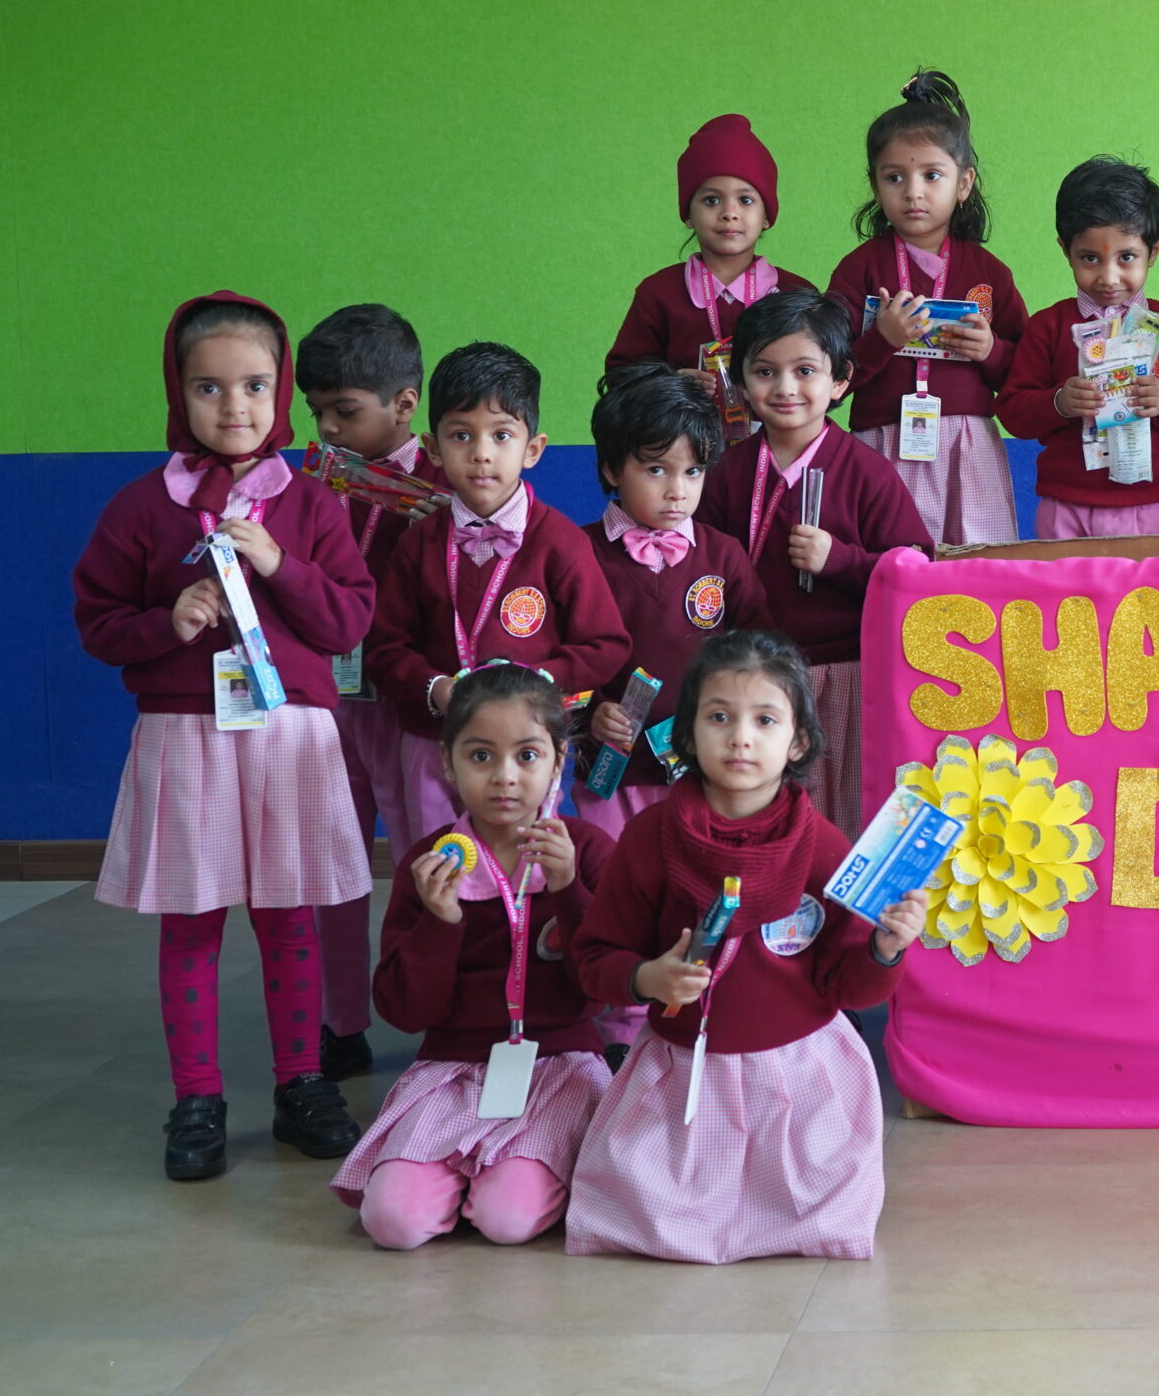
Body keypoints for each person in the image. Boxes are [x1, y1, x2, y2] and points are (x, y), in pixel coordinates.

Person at [73, 293, 373, 1180]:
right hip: (185, 737)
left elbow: (350, 620)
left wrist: (281, 564)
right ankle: (197, 1098)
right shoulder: (141, 507)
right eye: (208, 386)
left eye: (254, 385)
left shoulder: (311, 505)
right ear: (178, 389)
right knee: (191, 923)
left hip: (290, 737)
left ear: (280, 391)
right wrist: (164, 623)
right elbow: (97, 622)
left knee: (290, 919)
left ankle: (301, 1082)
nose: (233, 406)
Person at [565, 631, 930, 1263]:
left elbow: (847, 985)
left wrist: (885, 951)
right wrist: (647, 978)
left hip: (801, 1079)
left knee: (819, 1220)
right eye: (718, 717)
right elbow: (594, 959)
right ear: (686, 734)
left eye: (765, 720)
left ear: (798, 742)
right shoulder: (649, 837)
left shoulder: (822, 846)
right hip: (681, 1073)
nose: (740, 738)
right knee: (644, 1220)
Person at [331, 663, 615, 1249]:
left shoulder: (584, 852)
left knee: (508, 1221)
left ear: (559, 761)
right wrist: (441, 923)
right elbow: (404, 1011)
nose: (504, 777)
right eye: (480, 756)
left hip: (558, 1065)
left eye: (528, 756)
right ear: (447, 762)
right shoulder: (431, 863)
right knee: (392, 1222)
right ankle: (466, 1172)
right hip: (450, 1069)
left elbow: (603, 989)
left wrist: (568, 891)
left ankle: (504, 1174)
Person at [367, 343, 632, 855]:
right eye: (461, 435)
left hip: (528, 746)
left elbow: (606, 644)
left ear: (533, 449)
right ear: (433, 448)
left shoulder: (561, 542)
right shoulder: (417, 544)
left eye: (502, 435)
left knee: (525, 867)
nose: (482, 453)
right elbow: (384, 647)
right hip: (434, 743)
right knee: (438, 865)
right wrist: (436, 688)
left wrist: (538, 683)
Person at [698, 289, 932, 834]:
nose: (785, 388)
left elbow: (917, 570)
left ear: (841, 380)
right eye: (765, 372)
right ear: (740, 382)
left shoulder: (867, 471)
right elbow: (703, 565)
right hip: (754, 677)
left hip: (845, 673)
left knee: (842, 816)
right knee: (763, 816)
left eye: (805, 371)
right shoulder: (727, 472)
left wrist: (842, 560)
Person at [297, 301, 446, 1081]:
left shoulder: (449, 478)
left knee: (427, 862)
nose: (327, 427)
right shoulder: (311, 483)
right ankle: (341, 1021)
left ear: (404, 403)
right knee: (331, 866)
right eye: (315, 411)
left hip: (410, 709)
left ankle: (437, 1016)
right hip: (326, 703)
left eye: (344, 411)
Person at [826, 70, 1024, 544]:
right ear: (875, 185)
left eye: (932, 175)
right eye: (895, 177)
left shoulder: (990, 272)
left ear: (964, 183)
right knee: (888, 562)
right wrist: (881, 341)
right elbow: (827, 376)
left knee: (978, 565)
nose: (913, 192)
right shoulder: (858, 269)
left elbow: (1026, 372)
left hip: (967, 447)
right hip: (881, 442)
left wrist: (991, 351)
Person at [579, 363, 770, 837]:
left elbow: (760, 653)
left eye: (693, 471)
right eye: (656, 469)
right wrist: (590, 710)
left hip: (705, 769)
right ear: (611, 468)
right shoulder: (576, 553)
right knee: (611, 873)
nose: (677, 491)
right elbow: (553, 658)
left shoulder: (723, 555)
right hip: (608, 773)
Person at [995, 157, 1159, 537]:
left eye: (1127, 257)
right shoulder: (1048, 326)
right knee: (1063, 582)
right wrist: (1058, 402)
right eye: (1090, 258)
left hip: (1152, 508)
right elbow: (1013, 412)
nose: (1108, 277)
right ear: (1066, 250)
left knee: (1153, 582)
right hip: (1065, 508)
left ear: (1154, 251)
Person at [604, 114, 814, 441]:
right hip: (683, 450)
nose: (729, 213)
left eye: (746, 200)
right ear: (688, 214)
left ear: (767, 216)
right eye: (711, 200)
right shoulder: (658, 292)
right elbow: (621, 376)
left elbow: (825, 376)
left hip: (778, 448)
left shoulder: (795, 293)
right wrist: (672, 384)